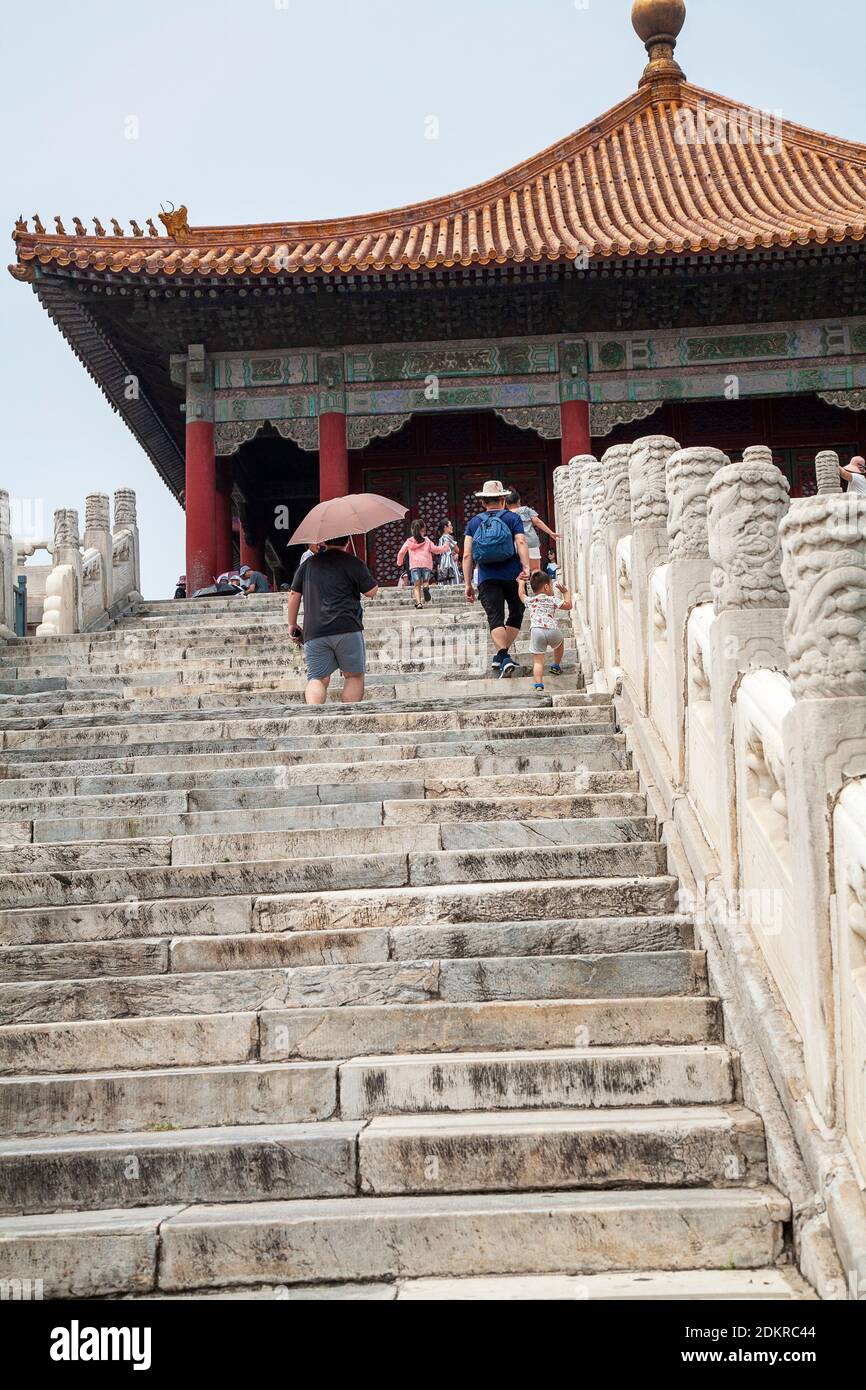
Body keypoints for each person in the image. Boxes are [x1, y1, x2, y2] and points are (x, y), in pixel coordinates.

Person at [287, 537, 378, 706]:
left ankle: (315, 716)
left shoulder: (308, 564)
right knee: (354, 676)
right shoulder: (353, 562)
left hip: (314, 630)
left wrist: (291, 623)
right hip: (347, 627)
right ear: (348, 542)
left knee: (317, 678)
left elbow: (294, 594)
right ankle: (348, 719)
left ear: (324, 542)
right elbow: (371, 592)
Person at [463, 479, 531, 679]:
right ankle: (503, 656)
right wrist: (526, 567)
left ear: (484, 502)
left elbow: (467, 555)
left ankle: (502, 656)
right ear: (503, 499)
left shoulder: (474, 522)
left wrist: (468, 584)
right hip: (513, 575)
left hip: (486, 577)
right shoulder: (512, 518)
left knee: (495, 619)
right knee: (517, 613)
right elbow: (520, 541)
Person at [527, 571, 573, 692]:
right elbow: (568, 605)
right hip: (551, 629)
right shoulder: (552, 599)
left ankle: (538, 685)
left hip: (536, 630)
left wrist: (521, 583)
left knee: (538, 660)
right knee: (560, 643)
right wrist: (565, 592)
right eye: (551, 586)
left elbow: (521, 595)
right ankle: (556, 665)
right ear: (546, 587)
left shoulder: (530, 601)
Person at [396, 522, 450, 610]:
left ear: (412, 529)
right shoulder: (427, 541)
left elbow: (401, 552)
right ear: (423, 529)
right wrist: (445, 547)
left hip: (414, 565)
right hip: (426, 565)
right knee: (425, 581)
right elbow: (436, 550)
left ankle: (419, 603)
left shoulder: (409, 541)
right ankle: (425, 587)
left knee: (416, 585)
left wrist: (399, 562)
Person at [505, 490, 560, 575]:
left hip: (515, 545)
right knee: (535, 570)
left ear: (506, 504)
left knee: (520, 571)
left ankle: (521, 588)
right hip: (531, 542)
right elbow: (537, 521)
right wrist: (550, 532)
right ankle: (537, 588)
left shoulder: (506, 515)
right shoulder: (526, 510)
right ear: (519, 501)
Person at [437, 520, 460, 585]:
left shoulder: (441, 539)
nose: (452, 527)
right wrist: (456, 553)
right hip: (450, 562)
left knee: (444, 580)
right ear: (445, 527)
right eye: (450, 525)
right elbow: (457, 549)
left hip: (443, 563)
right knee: (453, 580)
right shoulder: (447, 537)